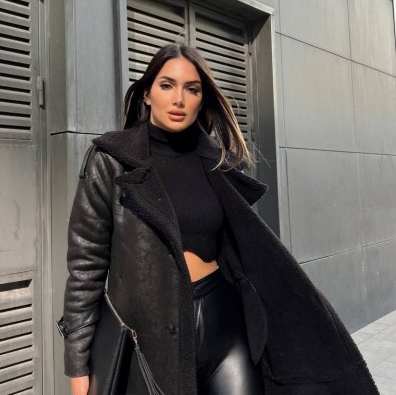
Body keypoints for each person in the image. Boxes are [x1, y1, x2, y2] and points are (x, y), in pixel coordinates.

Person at [60, 44, 378, 395]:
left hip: (223, 323)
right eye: (166, 85)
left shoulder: (217, 162)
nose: (178, 99)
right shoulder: (111, 160)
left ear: (202, 99)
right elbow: (86, 265)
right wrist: (78, 364)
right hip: (149, 339)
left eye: (191, 89)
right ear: (147, 94)